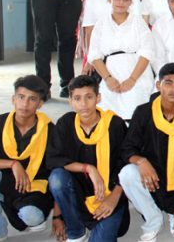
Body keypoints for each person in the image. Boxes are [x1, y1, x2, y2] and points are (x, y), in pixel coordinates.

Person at [119, 63, 174, 242]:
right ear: (158, 86)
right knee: (127, 173)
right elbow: (127, 148)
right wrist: (142, 162)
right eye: (168, 83)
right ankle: (153, 218)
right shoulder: (143, 112)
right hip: (151, 178)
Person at [0, 75, 58, 241]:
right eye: (21, 97)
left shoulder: (49, 130)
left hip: (35, 186)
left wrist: (58, 216)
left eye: (32, 99)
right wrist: (13, 163)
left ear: (40, 104)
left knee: (31, 218)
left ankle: (26, 211)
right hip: (6, 181)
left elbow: (56, 170)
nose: (25, 104)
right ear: (13, 99)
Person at [47, 75, 129, 242]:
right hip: (78, 195)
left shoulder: (114, 124)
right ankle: (76, 232)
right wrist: (88, 168)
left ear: (98, 98)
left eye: (89, 97)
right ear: (70, 100)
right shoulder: (66, 123)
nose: (83, 104)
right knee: (56, 177)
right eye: (77, 98)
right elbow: (54, 160)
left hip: (109, 196)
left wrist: (114, 198)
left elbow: (126, 164)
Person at [88, 0, 155, 119]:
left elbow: (147, 53)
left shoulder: (139, 23)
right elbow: (94, 55)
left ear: (131, 2)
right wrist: (108, 79)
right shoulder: (101, 24)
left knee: (135, 109)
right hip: (109, 72)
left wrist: (132, 79)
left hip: (137, 73)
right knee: (106, 113)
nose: (121, 2)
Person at [81, 0, 141, 76]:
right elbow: (89, 31)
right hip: (101, 53)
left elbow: (139, 25)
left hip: (128, 51)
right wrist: (90, 59)